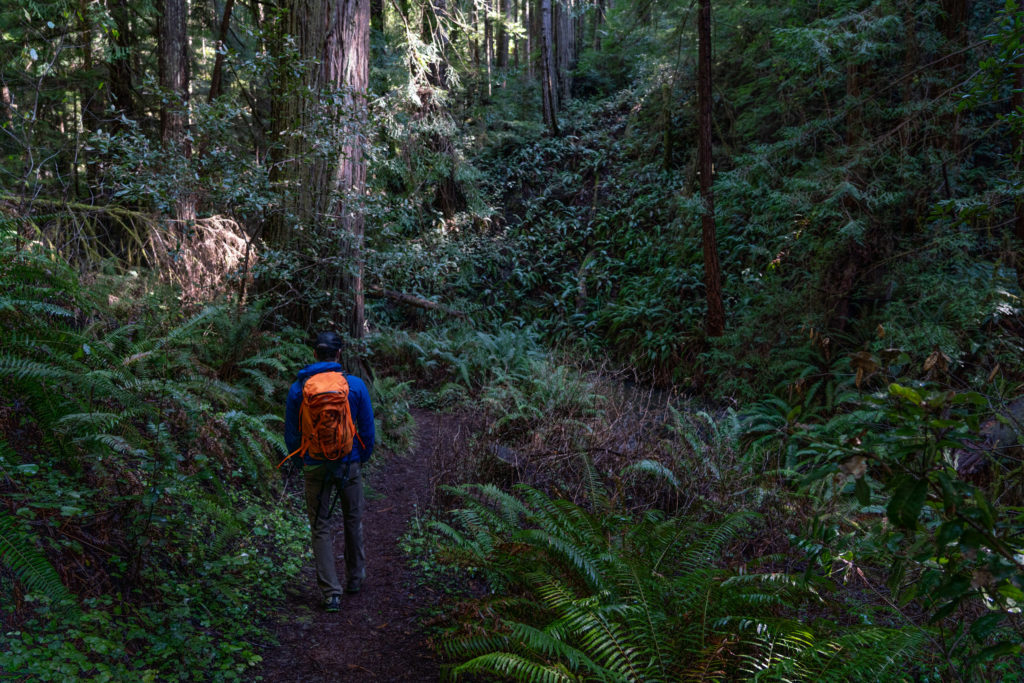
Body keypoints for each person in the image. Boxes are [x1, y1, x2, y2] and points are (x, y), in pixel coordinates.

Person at [284, 331, 375, 612]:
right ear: (338, 354)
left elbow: (291, 435)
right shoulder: (355, 386)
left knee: (321, 526)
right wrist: (361, 458)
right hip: (349, 462)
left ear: (314, 354)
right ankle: (355, 578)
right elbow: (368, 431)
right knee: (352, 518)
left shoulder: (298, 389)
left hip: (315, 463)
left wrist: (305, 462)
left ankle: (331, 593)